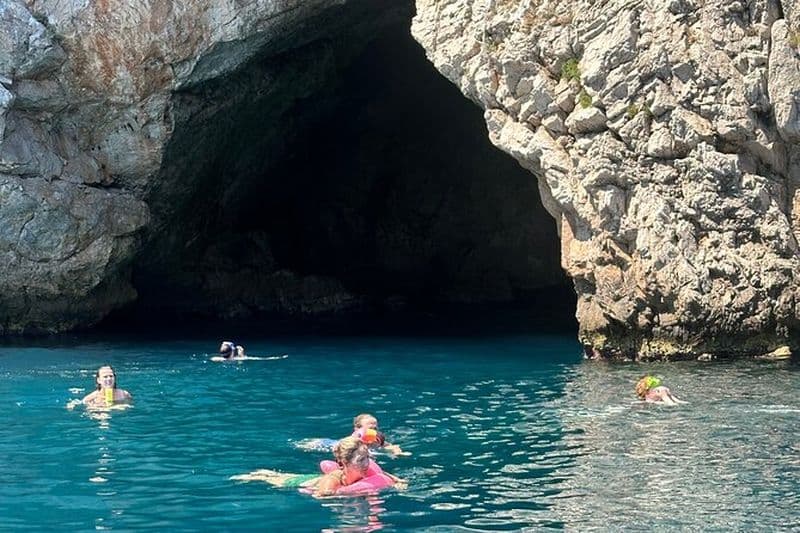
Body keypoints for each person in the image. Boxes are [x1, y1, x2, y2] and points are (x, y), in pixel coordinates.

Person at [230, 436, 401, 497]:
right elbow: (321, 495)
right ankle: (260, 474)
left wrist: (397, 481)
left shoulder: (365, 469)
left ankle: (266, 473)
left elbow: (383, 474)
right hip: (302, 482)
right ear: (344, 463)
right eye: (361, 460)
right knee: (275, 479)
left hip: (320, 480)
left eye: (367, 458)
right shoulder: (332, 481)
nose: (366, 464)